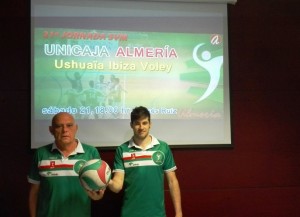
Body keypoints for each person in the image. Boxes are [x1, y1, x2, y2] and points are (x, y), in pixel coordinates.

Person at [108, 106, 183, 217]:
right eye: (137, 123)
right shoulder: (122, 150)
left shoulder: (163, 147)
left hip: (157, 213)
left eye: (144, 123)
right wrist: (104, 180)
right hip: (130, 213)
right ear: (131, 125)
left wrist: (179, 213)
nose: (141, 127)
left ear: (150, 124)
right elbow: (117, 186)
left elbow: (172, 182)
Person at [28, 112, 105, 217]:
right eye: (59, 126)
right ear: (51, 130)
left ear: (76, 128)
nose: (65, 130)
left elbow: (97, 192)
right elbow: (34, 193)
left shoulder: (91, 152)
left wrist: (97, 196)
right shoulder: (40, 154)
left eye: (69, 125)